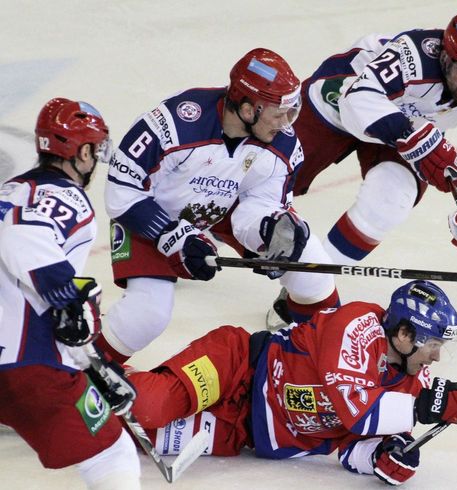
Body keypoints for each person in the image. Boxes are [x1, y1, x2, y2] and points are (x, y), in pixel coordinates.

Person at [268, 12, 457, 327]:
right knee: (270, 176)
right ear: (445, 58)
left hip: (406, 134)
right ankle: (200, 236)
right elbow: (358, 100)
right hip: (338, 102)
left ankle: (307, 294)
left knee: (391, 198)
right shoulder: (413, 54)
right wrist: (413, 136)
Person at [126, 280, 457, 486]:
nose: (435, 358)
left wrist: (387, 458)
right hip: (237, 365)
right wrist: (426, 407)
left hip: (240, 431)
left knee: (125, 436)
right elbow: (354, 410)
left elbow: (352, 444)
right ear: (404, 333)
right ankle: (85, 375)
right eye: (433, 344)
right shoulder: (357, 326)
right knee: (150, 406)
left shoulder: (412, 382)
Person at [100, 48, 339, 363]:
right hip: (149, 211)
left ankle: (319, 364)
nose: (286, 124)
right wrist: (173, 237)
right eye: (278, 113)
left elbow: (259, 204)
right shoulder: (177, 121)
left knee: (312, 269)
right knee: (147, 314)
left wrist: (269, 230)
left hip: (220, 210)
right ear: (247, 109)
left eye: (290, 113)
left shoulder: (282, 144)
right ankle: (78, 372)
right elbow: (122, 188)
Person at [0, 98, 140, 489]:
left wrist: (90, 363)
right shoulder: (69, 198)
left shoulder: (9, 193)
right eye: (96, 149)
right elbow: (21, 238)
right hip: (26, 367)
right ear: (82, 151)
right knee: (112, 453)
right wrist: (73, 299)